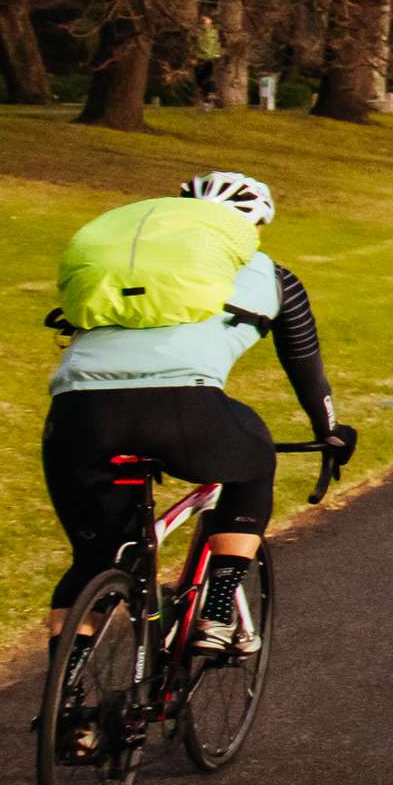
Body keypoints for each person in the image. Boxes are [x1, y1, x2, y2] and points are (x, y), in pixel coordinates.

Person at [42, 170, 340, 657]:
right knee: (253, 457)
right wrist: (329, 431)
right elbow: (306, 367)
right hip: (184, 410)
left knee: (94, 559)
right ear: (253, 228)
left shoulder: (121, 270)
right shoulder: (271, 274)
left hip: (77, 415)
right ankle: (217, 611)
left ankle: (67, 707)